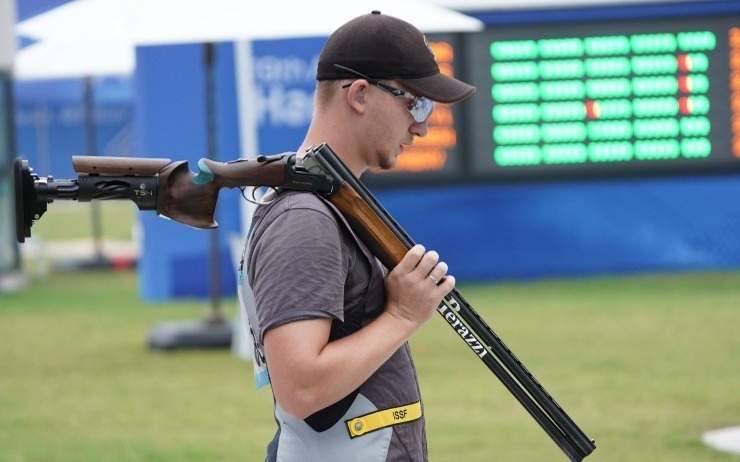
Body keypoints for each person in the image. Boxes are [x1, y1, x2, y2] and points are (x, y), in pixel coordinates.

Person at [240, 11, 475, 462]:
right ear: (361, 95)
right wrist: (403, 315)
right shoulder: (305, 218)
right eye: (416, 104)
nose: (423, 126)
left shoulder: (322, 204)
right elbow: (301, 387)